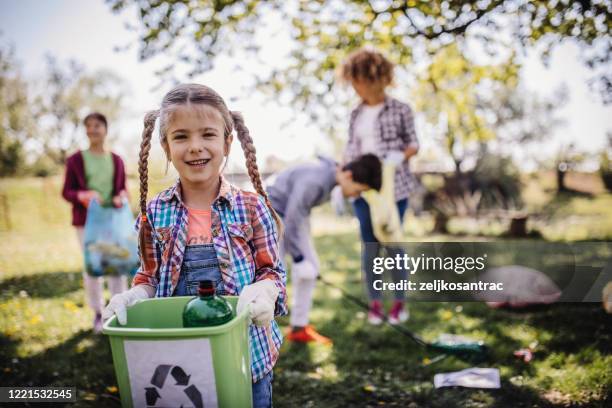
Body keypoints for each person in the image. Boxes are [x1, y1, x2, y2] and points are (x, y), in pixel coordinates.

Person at [102, 84, 287, 408]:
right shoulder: (154, 213)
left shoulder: (251, 207)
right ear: (166, 145)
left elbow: (272, 271)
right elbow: (148, 276)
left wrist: (267, 292)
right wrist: (135, 296)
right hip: (177, 360)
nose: (195, 147)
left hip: (247, 357)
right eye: (181, 136)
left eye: (208, 135)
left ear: (227, 142)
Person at [340, 48, 419, 325]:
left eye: (359, 80)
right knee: (370, 246)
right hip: (364, 190)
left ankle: (399, 303)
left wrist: (400, 156)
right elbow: (350, 149)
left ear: (376, 78)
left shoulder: (401, 110)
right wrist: (344, 177)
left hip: (394, 188)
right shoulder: (355, 114)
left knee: (393, 246)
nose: (355, 86)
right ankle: (375, 303)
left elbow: (413, 143)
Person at [267, 154, 382, 344]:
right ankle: (261, 332)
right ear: (349, 176)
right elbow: (291, 221)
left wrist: (304, 260)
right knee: (272, 274)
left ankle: (299, 328)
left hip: (292, 215)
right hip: (271, 213)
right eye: (358, 190)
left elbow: (297, 216)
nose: (356, 196)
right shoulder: (316, 182)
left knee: (311, 267)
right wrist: (298, 258)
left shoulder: (335, 174)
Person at [61, 112, 129, 333]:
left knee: (117, 266)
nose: (92, 129)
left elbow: (123, 189)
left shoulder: (117, 160)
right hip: (87, 221)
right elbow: (67, 192)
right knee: (94, 267)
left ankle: (120, 310)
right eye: (88, 126)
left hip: (113, 219)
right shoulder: (75, 160)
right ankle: (98, 313)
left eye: (97, 125)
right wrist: (83, 195)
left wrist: (121, 196)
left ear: (105, 129)